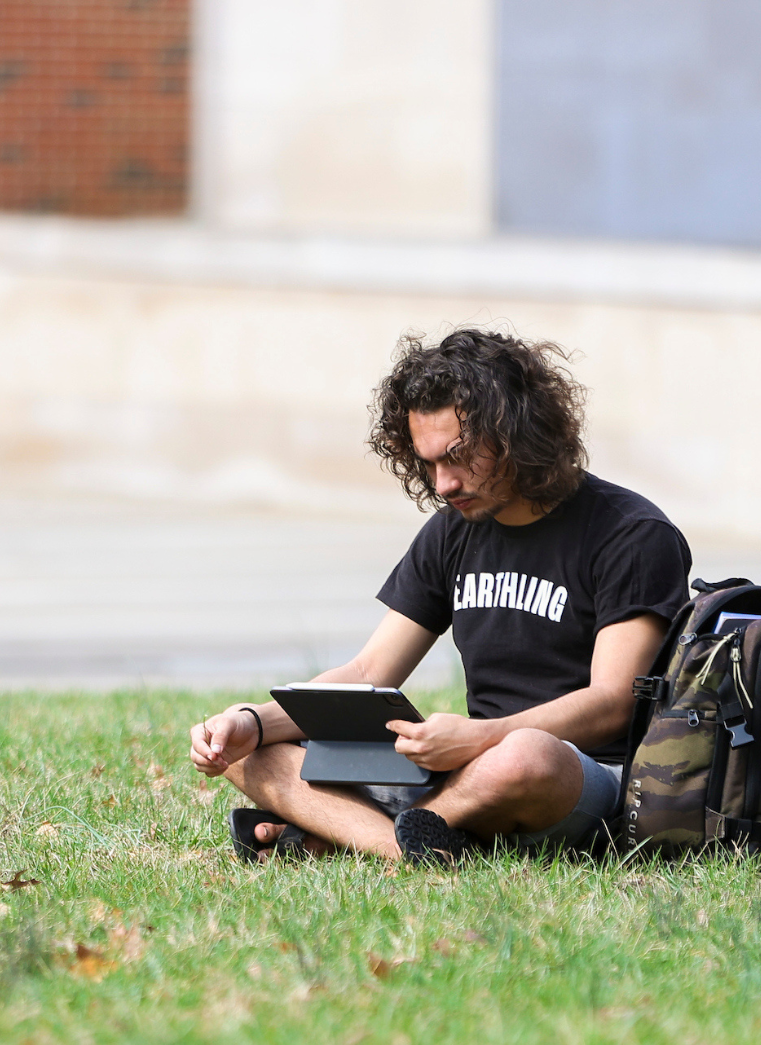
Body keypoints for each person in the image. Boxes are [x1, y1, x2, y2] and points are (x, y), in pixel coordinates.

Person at [188, 328, 691, 865]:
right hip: (463, 776)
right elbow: (366, 676)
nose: (444, 483)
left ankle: (347, 831)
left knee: (523, 756)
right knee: (246, 755)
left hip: (574, 776)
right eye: (428, 464)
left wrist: (479, 738)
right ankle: (415, 846)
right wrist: (253, 721)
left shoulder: (630, 534)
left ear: (518, 429)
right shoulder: (453, 530)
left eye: (459, 456)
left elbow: (612, 704)